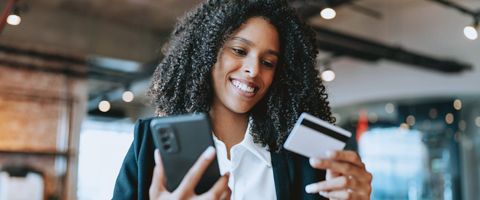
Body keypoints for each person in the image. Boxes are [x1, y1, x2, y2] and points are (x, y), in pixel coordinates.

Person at [113, 0, 372, 199]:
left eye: (268, 62)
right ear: (208, 53)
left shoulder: (303, 160)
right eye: (239, 50)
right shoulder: (149, 144)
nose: (253, 70)